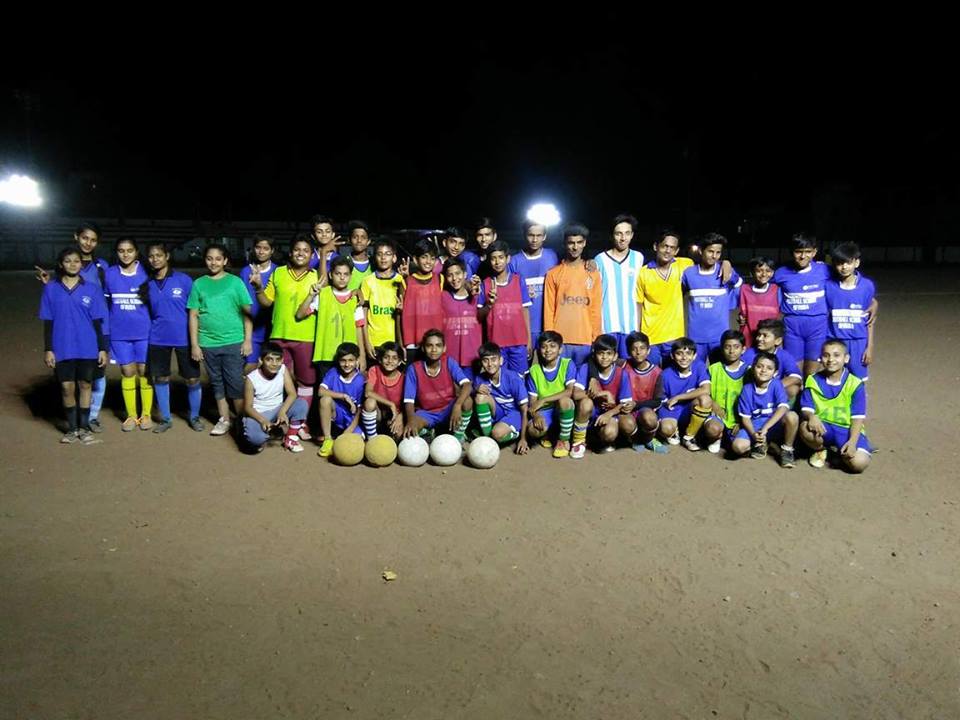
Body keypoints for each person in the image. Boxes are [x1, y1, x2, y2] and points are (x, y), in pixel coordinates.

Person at [35, 222, 111, 432]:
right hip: (68, 337)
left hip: (95, 328)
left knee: (95, 377)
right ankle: (75, 425)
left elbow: (109, 292)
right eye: (85, 238)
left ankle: (91, 418)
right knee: (69, 385)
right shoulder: (56, 283)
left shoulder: (101, 267)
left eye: (93, 239)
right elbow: (53, 307)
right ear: (76, 237)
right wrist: (49, 283)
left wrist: (103, 342)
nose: (89, 242)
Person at [250, 234, 319, 428]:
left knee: (306, 382)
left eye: (306, 251)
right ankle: (281, 421)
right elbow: (266, 302)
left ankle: (301, 422)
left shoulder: (316, 276)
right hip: (279, 336)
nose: (301, 253)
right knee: (281, 381)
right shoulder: (278, 272)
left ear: (311, 255)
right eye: (297, 249)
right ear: (290, 252)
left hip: (306, 337)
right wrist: (257, 287)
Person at [187, 244, 253, 436]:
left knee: (235, 383)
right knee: (217, 382)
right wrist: (195, 345)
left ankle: (242, 421)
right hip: (208, 343)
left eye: (218, 259)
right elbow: (193, 316)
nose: (213, 262)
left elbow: (246, 313)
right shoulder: (199, 284)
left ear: (225, 261)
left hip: (233, 341)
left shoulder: (235, 282)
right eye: (209, 258)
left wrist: (247, 340)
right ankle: (224, 419)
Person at [144, 242, 203, 433]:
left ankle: (194, 417)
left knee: (193, 379)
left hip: (184, 338)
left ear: (167, 256)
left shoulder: (184, 280)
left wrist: (196, 341)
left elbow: (195, 311)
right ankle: (166, 419)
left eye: (159, 255)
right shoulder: (147, 284)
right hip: (158, 338)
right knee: (160, 378)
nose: (155, 259)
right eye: (151, 256)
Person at [103, 237, 153, 431]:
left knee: (144, 371)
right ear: (116, 252)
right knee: (127, 371)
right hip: (119, 333)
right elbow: (107, 304)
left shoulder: (146, 272)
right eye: (121, 251)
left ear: (136, 252)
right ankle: (131, 415)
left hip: (144, 332)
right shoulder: (109, 274)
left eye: (129, 250)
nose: (126, 254)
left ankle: (146, 414)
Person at [798, 339, 871, 472]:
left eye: (836, 355)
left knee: (859, 464)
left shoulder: (855, 384)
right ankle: (821, 449)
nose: (831, 359)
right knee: (805, 428)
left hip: (846, 430)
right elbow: (806, 408)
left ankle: (841, 453)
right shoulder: (812, 380)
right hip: (823, 427)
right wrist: (811, 416)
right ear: (821, 358)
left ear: (846, 358)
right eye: (826, 355)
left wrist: (853, 442)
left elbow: (858, 417)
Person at [543, 222, 603, 366]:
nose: (575, 247)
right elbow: (549, 309)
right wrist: (550, 340)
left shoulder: (593, 273)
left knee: (582, 385)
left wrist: (597, 338)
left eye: (579, 242)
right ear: (565, 243)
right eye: (571, 243)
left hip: (585, 340)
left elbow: (595, 308)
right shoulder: (553, 273)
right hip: (560, 342)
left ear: (584, 243)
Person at [773, 232, 831, 377]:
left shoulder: (825, 270)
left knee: (811, 374)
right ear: (792, 252)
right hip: (792, 326)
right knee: (794, 374)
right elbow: (761, 290)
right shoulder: (781, 273)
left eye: (808, 252)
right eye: (798, 252)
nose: (803, 256)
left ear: (814, 252)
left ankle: (809, 399)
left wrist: (872, 302)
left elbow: (848, 283)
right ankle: (795, 400)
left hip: (817, 325)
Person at [635, 230, 696, 366]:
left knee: (672, 377)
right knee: (652, 378)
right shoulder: (643, 273)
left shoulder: (685, 265)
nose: (668, 251)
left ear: (677, 250)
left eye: (672, 247)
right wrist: (639, 334)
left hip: (674, 337)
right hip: (650, 337)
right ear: (656, 247)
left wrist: (725, 263)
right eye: (664, 246)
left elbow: (708, 265)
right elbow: (638, 304)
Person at [729, 351, 799, 467]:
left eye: (769, 368)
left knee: (792, 416)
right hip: (755, 425)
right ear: (753, 368)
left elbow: (782, 408)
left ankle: (787, 450)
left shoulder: (776, 384)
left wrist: (766, 427)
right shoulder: (747, 389)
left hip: (773, 424)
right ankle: (762, 443)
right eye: (759, 366)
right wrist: (753, 434)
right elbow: (745, 418)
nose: (763, 370)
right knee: (738, 447)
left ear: (775, 373)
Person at [298, 255, 366, 375]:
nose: (342, 277)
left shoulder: (355, 298)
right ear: (330, 275)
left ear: (351, 276)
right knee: (326, 391)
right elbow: (299, 315)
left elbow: (358, 328)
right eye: (338, 273)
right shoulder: (322, 294)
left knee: (347, 391)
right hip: (326, 355)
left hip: (349, 357)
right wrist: (310, 296)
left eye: (346, 274)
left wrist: (361, 355)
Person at [402, 330, 474, 442]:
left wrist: (457, 405)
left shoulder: (449, 362)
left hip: (448, 409)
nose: (434, 349)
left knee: (467, 401)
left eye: (438, 345)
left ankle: (457, 438)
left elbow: (467, 385)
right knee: (410, 430)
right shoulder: (414, 369)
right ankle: (429, 432)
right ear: (423, 348)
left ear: (444, 348)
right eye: (429, 345)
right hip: (426, 413)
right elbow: (409, 401)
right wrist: (411, 420)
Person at [682, 231, 741, 364]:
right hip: (695, 337)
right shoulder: (688, 274)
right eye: (710, 251)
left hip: (719, 337)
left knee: (719, 375)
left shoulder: (725, 271)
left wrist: (726, 263)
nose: (714, 256)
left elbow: (740, 286)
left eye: (718, 252)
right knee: (697, 375)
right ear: (701, 251)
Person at [242, 342, 309, 453]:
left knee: (301, 404)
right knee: (255, 439)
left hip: (278, 409)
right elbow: (248, 407)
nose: (274, 363)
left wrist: (282, 412)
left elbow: (292, 393)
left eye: (278, 359)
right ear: (261, 360)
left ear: (282, 360)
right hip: (260, 413)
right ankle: (266, 429)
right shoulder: (251, 379)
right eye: (269, 359)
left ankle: (290, 438)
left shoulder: (282, 369)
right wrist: (262, 420)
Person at [477, 240, 533, 374]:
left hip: (518, 342)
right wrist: (489, 305)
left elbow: (525, 310)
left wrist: (529, 340)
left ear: (508, 259)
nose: (497, 262)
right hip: (496, 345)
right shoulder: (485, 284)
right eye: (493, 259)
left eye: (501, 257)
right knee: (500, 379)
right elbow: (479, 316)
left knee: (519, 379)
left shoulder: (518, 280)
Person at [594, 214, 645, 357]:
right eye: (619, 233)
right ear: (612, 235)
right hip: (607, 325)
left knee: (628, 368)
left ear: (632, 235)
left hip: (631, 326)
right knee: (608, 368)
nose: (623, 238)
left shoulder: (638, 258)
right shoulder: (600, 259)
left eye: (627, 233)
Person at [826, 241, 877, 381]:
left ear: (857, 263)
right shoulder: (828, 286)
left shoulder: (867, 286)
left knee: (858, 382)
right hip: (836, 340)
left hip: (858, 342)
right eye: (840, 263)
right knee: (835, 380)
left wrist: (869, 347)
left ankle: (859, 403)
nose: (844, 267)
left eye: (848, 262)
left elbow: (870, 319)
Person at [524, 331, 580, 458]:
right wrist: (536, 415)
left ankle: (564, 440)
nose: (548, 350)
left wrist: (544, 400)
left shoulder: (567, 364)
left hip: (562, 409)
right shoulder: (534, 370)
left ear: (560, 350)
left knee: (565, 401)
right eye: (544, 347)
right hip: (546, 412)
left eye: (552, 346)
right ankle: (549, 433)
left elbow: (570, 391)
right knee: (533, 430)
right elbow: (533, 401)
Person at [657, 337, 713, 450]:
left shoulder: (699, 366)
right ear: (672, 356)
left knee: (705, 399)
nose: (684, 358)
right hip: (672, 410)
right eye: (679, 353)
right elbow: (661, 401)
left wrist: (678, 397)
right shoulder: (665, 375)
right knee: (666, 430)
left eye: (688, 353)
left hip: (689, 408)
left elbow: (706, 389)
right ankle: (674, 430)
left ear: (694, 356)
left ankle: (689, 436)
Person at [473, 342, 530, 453]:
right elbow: (471, 391)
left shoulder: (513, 378)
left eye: (493, 359)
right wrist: (475, 389)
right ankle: (487, 438)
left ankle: (514, 434)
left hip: (514, 413)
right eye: (485, 360)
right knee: (480, 397)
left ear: (501, 361)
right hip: (498, 411)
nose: (490, 364)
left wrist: (524, 438)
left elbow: (524, 410)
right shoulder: (480, 379)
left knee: (497, 434)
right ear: (481, 363)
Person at [581, 334, 633, 453]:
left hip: (610, 414)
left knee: (610, 433)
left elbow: (625, 404)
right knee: (585, 403)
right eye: (601, 353)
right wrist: (602, 394)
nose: (604, 357)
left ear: (615, 356)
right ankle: (581, 439)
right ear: (594, 355)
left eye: (609, 354)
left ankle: (606, 438)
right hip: (591, 413)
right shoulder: (586, 368)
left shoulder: (622, 373)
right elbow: (576, 395)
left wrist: (609, 414)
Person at [508, 219, 559, 343]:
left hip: (548, 324)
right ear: (525, 235)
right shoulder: (514, 261)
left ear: (544, 236)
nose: (535, 240)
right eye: (531, 235)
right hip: (525, 326)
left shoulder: (552, 256)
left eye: (539, 235)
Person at [701, 330, 750, 454]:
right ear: (722, 349)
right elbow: (703, 392)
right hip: (718, 415)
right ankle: (717, 437)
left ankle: (732, 438)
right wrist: (713, 404)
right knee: (712, 429)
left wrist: (742, 422)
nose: (732, 351)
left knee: (739, 448)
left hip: (741, 418)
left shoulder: (750, 371)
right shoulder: (713, 369)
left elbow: (754, 399)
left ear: (743, 349)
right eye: (727, 347)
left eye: (736, 347)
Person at [359, 239, 405, 363]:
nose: (383, 258)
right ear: (375, 257)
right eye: (379, 254)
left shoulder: (401, 280)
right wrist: (366, 343)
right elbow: (363, 314)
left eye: (387, 254)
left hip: (394, 342)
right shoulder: (367, 281)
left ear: (394, 258)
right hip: (374, 341)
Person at [317, 342, 366, 457]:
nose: (347, 364)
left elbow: (359, 410)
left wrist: (347, 433)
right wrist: (344, 396)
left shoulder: (360, 380)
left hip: (352, 421)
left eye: (351, 360)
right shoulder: (333, 372)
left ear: (357, 361)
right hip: (337, 415)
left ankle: (341, 438)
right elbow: (320, 391)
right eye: (343, 360)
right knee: (325, 400)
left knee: (352, 446)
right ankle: (328, 439)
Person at [622, 331, 667, 453]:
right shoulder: (622, 365)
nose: (638, 352)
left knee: (650, 419)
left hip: (644, 409)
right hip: (626, 410)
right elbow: (594, 361)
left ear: (648, 350)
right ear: (628, 351)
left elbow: (658, 401)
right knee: (626, 424)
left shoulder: (657, 372)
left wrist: (636, 404)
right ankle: (635, 439)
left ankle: (649, 439)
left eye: (642, 348)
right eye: (634, 349)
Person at [400, 238, 444, 361]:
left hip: (435, 343)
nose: (428, 261)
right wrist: (401, 342)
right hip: (412, 342)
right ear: (415, 259)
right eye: (424, 257)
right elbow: (399, 314)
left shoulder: (440, 279)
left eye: (432, 258)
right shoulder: (406, 282)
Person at [440, 257, 483, 378]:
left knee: (471, 392)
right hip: (450, 357)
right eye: (450, 275)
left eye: (458, 273)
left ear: (465, 274)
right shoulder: (442, 297)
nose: (454, 279)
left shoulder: (477, 295)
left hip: (472, 357)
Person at [239, 234, 276, 373]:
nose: (261, 251)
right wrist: (246, 337)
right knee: (250, 366)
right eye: (258, 247)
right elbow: (243, 303)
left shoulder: (278, 271)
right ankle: (243, 394)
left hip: (272, 330)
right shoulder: (246, 271)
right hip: (252, 330)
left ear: (272, 251)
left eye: (265, 248)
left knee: (270, 368)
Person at [742, 319, 803, 400]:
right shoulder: (749, 354)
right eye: (759, 335)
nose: (759, 339)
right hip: (754, 393)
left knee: (793, 388)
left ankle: (782, 410)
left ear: (778, 341)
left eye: (765, 336)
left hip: (773, 393)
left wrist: (772, 387)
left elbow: (796, 377)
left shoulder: (784, 355)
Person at [360, 342, 405, 439]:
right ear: (380, 360)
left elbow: (409, 403)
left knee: (399, 435)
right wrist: (390, 404)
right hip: (378, 414)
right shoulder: (374, 370)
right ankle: (372, 439)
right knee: (369, 402)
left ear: (400, 361)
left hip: (394, 415)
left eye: (394, 358)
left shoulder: (404, 378)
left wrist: (400, 417)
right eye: (386, 357)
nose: (390, 361)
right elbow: (368, 393)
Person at [738, 256, 779, 348]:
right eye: (759, 271)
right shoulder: (743, 289)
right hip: (748, 337)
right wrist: (741, 316)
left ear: (772, 273)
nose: (764, 274)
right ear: (752, 273)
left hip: (768, 339)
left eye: (768, 271)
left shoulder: (777, 290)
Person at [343, 220, 374, 290]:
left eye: (363, 237)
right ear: (349, 240)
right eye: (355, 237)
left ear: (368, 241)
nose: (359, 240)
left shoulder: (374, 263)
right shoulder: (343, 261)